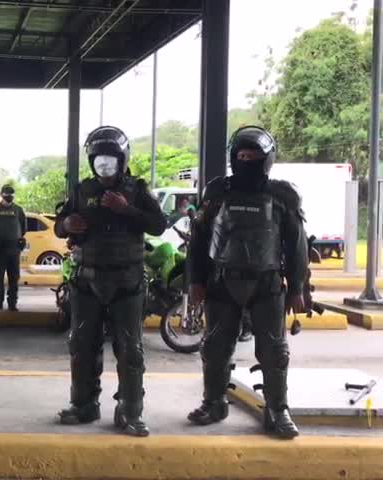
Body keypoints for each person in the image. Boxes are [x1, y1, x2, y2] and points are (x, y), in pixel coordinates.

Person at [187, 125, 308, 439]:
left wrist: (297, 287)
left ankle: (277, 410)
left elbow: (296, 245)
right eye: (241, 156)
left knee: (274, 351)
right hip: (221, 283)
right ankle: (213, 403)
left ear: (266, 160)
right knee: (214, 348)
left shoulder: (283, 195)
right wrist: (195, 281)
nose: (247, 161)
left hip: (267, 285)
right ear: (232, 158)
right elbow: (198, 240)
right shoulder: (216, 192)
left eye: (253, 157)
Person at [54, 126, 165, 437]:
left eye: (110, 160)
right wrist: (66, 223)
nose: (104, 167)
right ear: (92, 162)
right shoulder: (81, 190)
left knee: (131, 349)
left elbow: (158, 225)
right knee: (81, 345)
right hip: (86, 280)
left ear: (122, 159)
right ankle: (83, 405)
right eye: (99, 161)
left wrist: (126, 209)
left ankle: (130, 411)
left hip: (127, 281)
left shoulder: (138, 190)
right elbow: (60, 229)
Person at [0, 185, 26, 311]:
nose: (9, 196)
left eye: (11, 194)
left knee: (14, 277)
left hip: (14, 249)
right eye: (7, 194)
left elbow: (23, 228)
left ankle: (12, 303)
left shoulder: (18, 210)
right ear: (2, 194)